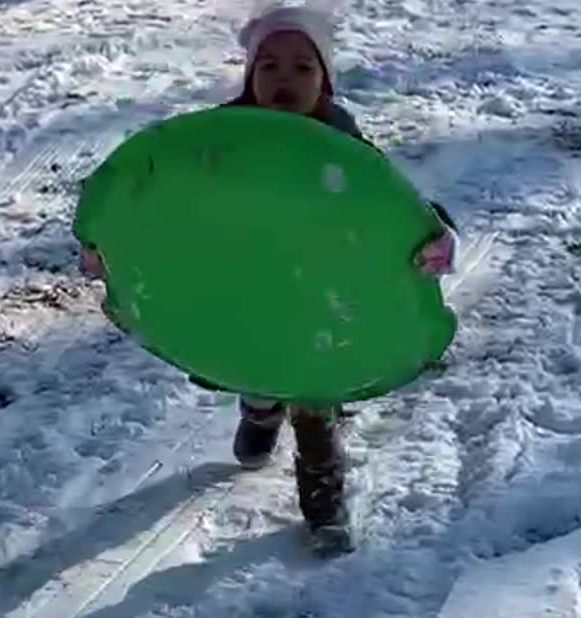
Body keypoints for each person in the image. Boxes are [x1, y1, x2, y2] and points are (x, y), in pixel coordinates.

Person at [76, 3, 459, 543]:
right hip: (250, 284)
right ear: (249, 75)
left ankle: (324, 508)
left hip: (319, 298)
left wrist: (439, 240)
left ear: (324, 81)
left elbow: (392, 213)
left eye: (302, 68)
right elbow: (170, 207)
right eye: (269, 66)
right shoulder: (219, 144)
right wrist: (112, 247)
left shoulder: (344, 152)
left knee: (314, 398)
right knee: (254, 354)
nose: (284, 79)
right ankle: (259, 411)